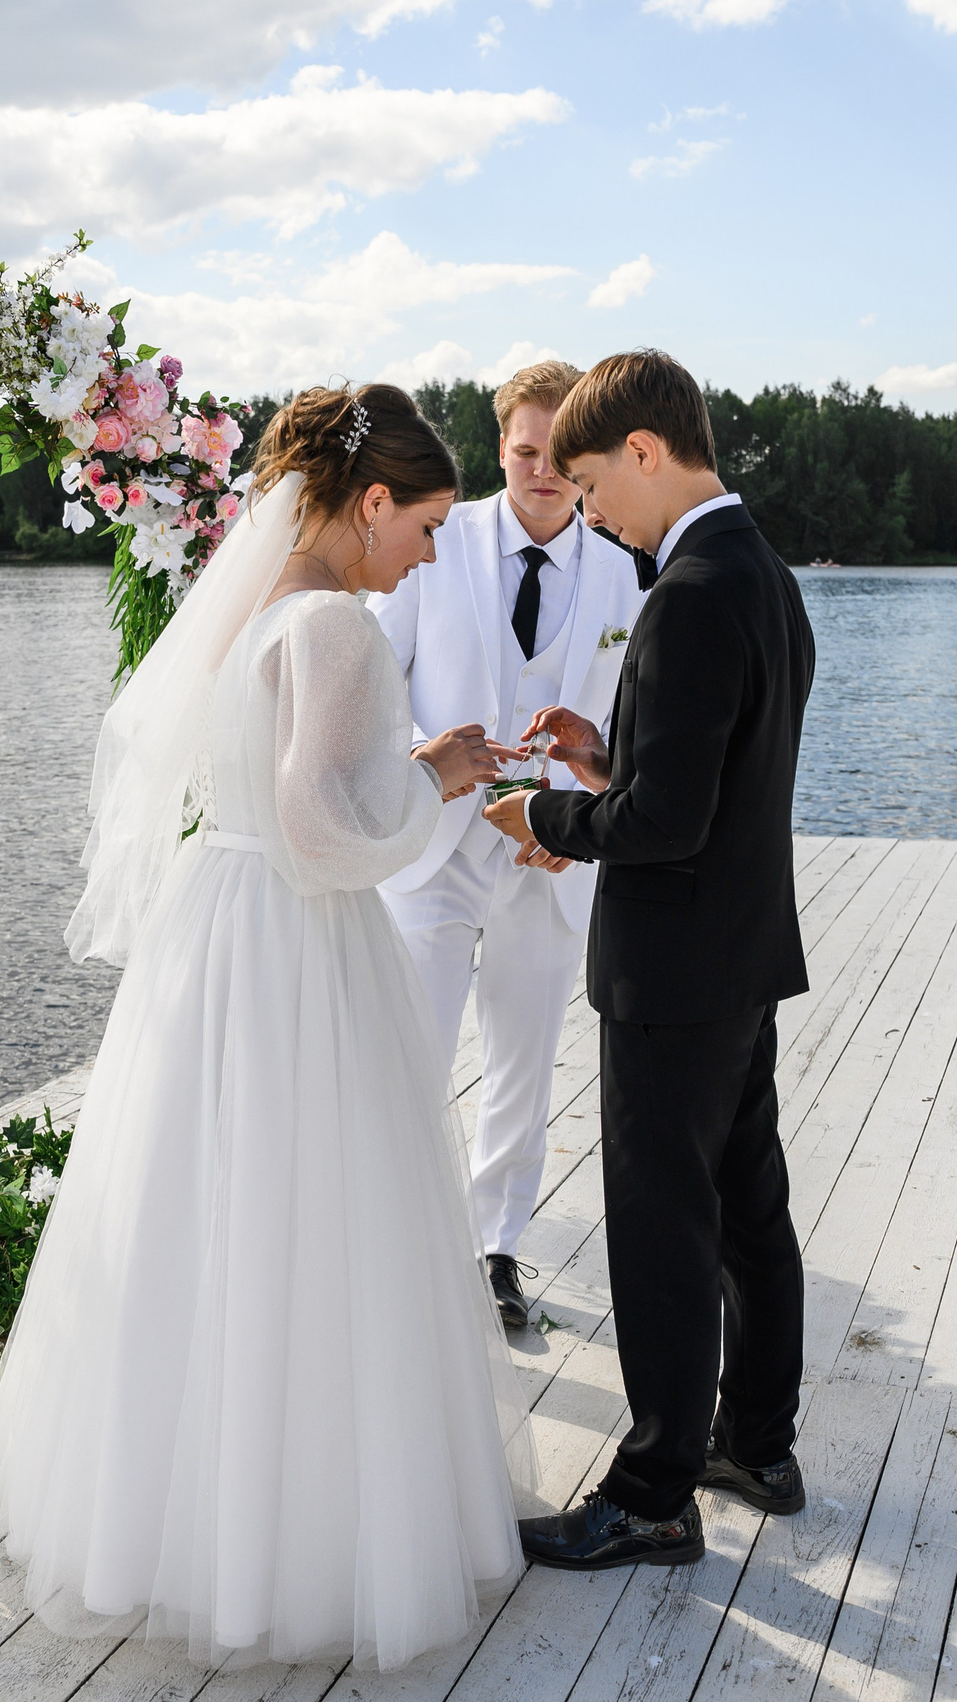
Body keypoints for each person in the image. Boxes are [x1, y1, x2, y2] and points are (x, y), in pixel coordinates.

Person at [0, 383, 537, 1671]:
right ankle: (307, 1528)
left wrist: (404, 772)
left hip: (215, 924)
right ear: (372, 499)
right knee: (310, 1209)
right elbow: (324, 830)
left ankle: (164, 1523)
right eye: (429, 521)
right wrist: (437, 781)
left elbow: (272, 798)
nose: (433, 550)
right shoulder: (335, 624)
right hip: (294, 938)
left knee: (201, 1208)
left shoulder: (244, 613)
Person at [482, 349, 816, 1570]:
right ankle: (757, 1443)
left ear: (641, 451)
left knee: (665, 1230)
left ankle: (654, 1489)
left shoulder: (686, 588)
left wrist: (543, 816)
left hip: (672, 972)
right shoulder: (761, 571)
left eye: (588, 480)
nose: (584, 508)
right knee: (746, 1212)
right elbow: (707, 777)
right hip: (739, 954)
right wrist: (606, 753)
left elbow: (664, 826)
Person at [364, 360, 648, 1329]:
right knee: (414, 1049)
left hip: (551, 853)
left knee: (524, 1058)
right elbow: (373, 678)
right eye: (523, 451)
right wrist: (420, 760)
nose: (540, 472)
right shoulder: (436, 540)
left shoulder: (620, 572)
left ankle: (495, 1247)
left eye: (556, 456)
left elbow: (625, 720)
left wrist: (581, 820)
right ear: (500, 447)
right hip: (435, 843)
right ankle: (393, 1240)